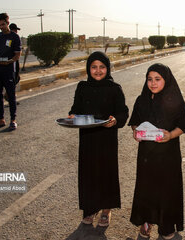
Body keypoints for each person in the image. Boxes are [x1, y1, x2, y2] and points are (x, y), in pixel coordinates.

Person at [128, 63, 185, 239]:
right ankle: (146, 221)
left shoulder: (175, 100)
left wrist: (170, 135)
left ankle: (166, 225)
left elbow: (183, 126)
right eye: (149, 79)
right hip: (146, 154)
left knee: (167, 189)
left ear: (166, 79)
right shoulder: (142, 100)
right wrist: (136, 131)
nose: (153, 83)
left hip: (168, 155)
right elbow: (135, 121)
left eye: (158, 79)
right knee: (146, 187)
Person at [68, 51, 129, 227]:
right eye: (94, 67)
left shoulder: (114, 88)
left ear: (107, 68)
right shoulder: (82, 87)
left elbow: (123, 112)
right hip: (87, 139)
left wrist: (115, 120)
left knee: (106, 173)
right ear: (88, 69)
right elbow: (75, 109)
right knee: (88, 174)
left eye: (102, 67)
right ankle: (90, 209)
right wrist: (72, 115)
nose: (98, 71)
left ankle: (106, 210)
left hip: (107, 138)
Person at [0, 13, 21, 131]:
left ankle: (13, 120)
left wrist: (10, 61)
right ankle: (1, 120)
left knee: (11, 95)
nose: (1, 27)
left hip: (8, 69)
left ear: (8, 22)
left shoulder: (15, 37)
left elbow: (17, 55)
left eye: (3, 24)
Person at [4, 23, 21, 105]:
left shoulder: (14, 38)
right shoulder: (9, 39)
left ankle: (8, 95)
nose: (16, 31)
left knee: (16, 79)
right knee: (13, 80)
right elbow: (8, 49)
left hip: (15, 61)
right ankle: (10, 98)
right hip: (12, 62)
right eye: (15, 30)